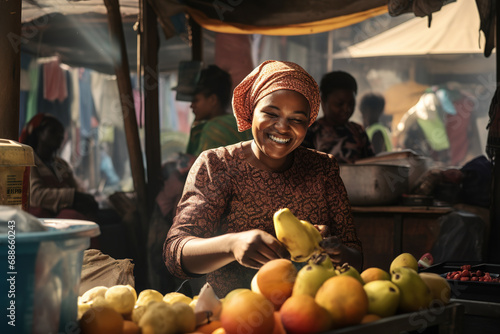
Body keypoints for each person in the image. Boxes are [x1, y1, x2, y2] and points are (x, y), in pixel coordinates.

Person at [164, 60, 363, 298]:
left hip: (312, 312)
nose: (282, 127)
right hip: (235, 315)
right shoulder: (218, 165)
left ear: (308, 123)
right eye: (271, 113)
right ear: (251, 111)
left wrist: (334, 251)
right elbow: (175, 254)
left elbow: (355, 257)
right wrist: (232, 245)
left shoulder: (323, 169)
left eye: (297, 119)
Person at [19, 113, 99, 220]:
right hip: (39, 218)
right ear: (39, 133)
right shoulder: (28, 161)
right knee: (75, 218)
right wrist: (73, 197)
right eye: (53, 131)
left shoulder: (60, 164)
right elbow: (35, 196)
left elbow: (74, 187)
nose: (59, 136)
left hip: (61, 213)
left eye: (61, 133)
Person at [302, 71, 374, 163]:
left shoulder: (358, 131)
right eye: (339, 104)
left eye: (351, 104)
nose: (346, 109)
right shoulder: (311, 131)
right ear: (323, 101)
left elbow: (370, 163)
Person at [186, 65, 252, 156]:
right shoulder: (241, 122)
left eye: (196, 100)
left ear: (212, 100)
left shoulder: (212, 128)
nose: (191, 105)